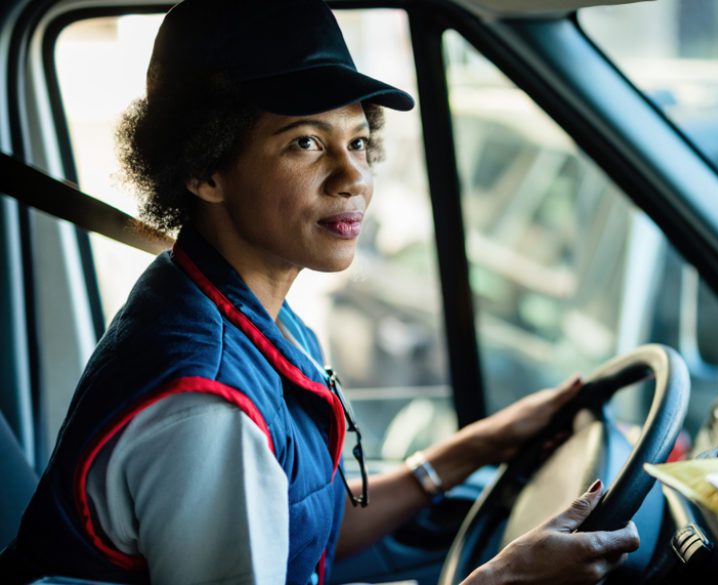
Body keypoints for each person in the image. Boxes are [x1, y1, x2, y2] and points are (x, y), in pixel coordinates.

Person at [0, 0, 640, 583]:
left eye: (359, 140)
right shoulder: (208, 411)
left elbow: (314, 526)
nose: (354, 175)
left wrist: (479, 445)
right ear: (203, 168)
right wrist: (504, 579)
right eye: (306, 142)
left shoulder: (237, 308)